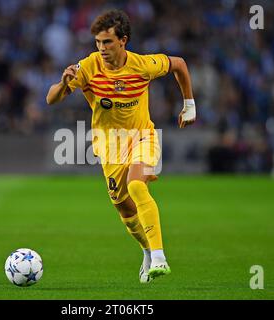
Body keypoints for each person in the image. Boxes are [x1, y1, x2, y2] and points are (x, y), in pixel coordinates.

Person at [46, 9, 196, 283]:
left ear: (123, 40)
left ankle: (160, 257)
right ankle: (147, 251)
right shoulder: (88, 67)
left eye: (108, 42)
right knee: (124, 207)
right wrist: (63, 82)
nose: (102, 48)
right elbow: (51, 99)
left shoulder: (142, 65)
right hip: (110, 147)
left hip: (143, 138)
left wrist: (189, 104)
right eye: (98, 42)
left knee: (137, 185)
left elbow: (179, 64)